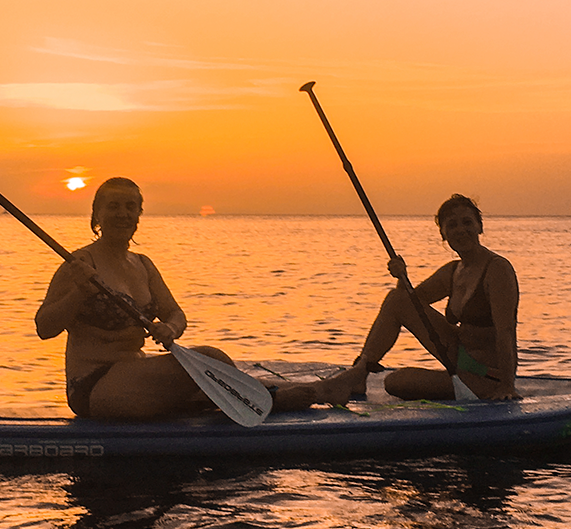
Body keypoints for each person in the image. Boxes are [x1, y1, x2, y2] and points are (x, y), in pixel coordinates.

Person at [36, 177, 360, 420]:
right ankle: (270, 401)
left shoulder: (143, 265)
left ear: (139, 214)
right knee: (211, 359)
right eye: (113, 206)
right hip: (94, 384)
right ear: (97, 214)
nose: (122, 214)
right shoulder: (80, 265)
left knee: (215, 377)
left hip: (138, 374)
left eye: (130, 206)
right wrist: (79, 293)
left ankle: (322, 389)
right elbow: (44, 328)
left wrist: (170, 329)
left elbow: (176, 314)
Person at [347, 194, 520, 401]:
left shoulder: (497, 269)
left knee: (396, 382)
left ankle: (494, 384)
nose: (461, 230)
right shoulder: (453, 271)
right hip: (459, 359)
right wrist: (402, 276)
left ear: (479, 227)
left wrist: (507, 386)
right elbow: (407, 304)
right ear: (443, 235)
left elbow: (506, 331)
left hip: (487, 376)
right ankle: (360, 371)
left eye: (467, 222)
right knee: (395, 299)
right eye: (452, 225)